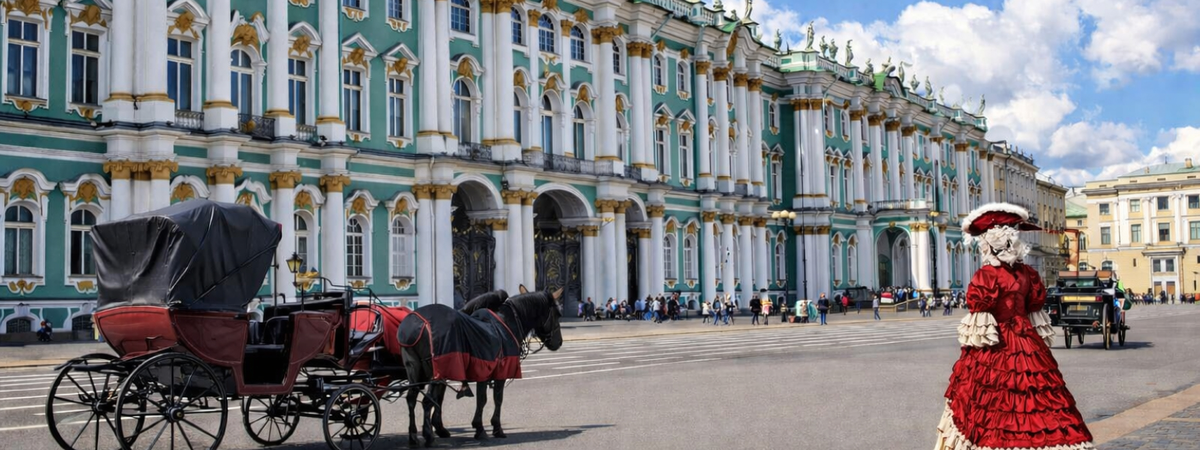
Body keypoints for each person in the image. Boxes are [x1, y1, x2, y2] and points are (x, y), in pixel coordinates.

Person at [934, 202, 1094, 450]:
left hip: (997, 343)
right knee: (1037, 397)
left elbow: (979, 327)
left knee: (989, 400)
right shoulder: (1028, 274)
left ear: (987, 245)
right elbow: (1033, 311)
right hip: (1026, 342)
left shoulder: (986, 276)